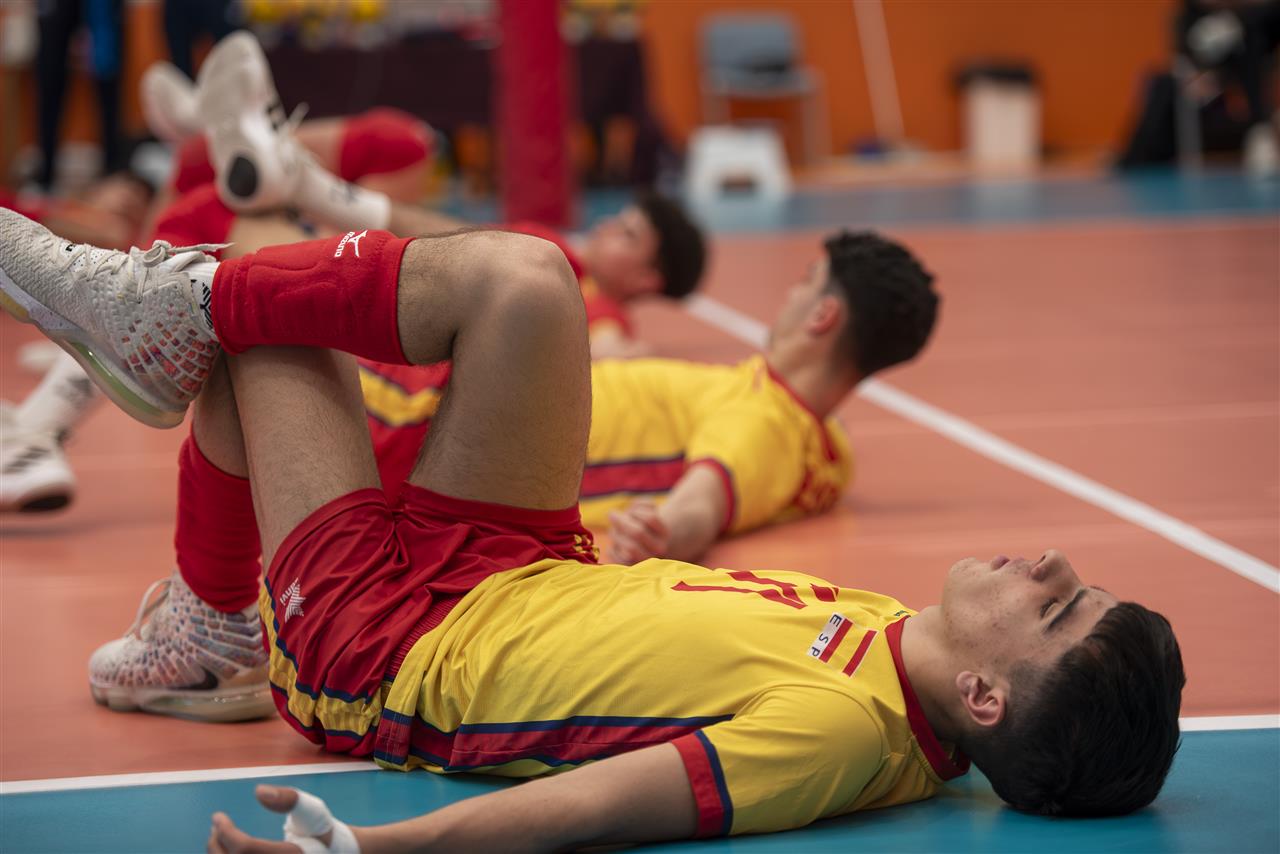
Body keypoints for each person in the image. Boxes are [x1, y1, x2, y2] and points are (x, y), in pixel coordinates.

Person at [0, 208, 1185, 848]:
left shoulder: (842, 733)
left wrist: (368, 851)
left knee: (273, 337)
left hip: (394, 645)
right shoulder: (897, 637)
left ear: (982, 695)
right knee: (530, 281)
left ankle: (212, 618)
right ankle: (169, 317)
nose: (1050, 560)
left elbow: (596, 807)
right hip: (521, 563)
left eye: (1054, 605)